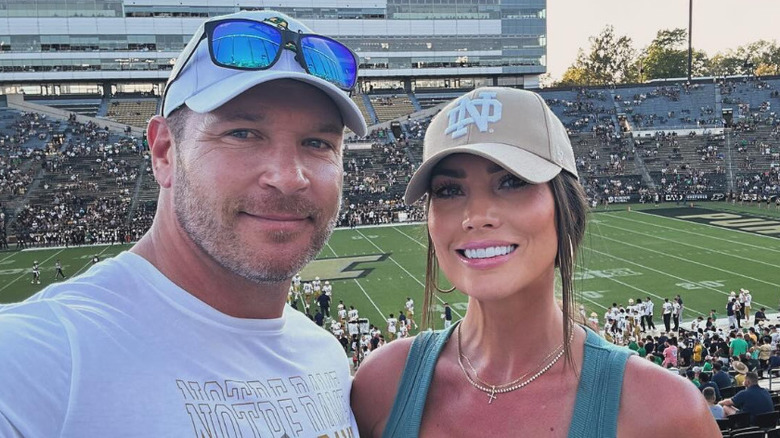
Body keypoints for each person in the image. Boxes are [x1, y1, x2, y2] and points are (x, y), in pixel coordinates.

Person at [0, 10, 367, 437]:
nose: (288, 177)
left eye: (318, 143)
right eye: (243, 133)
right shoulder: (38, 358)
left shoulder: (326, 357)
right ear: (164, 153)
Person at [350, 88, 718, 437]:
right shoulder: (382, 384)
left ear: (567, 210)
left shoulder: (664, 411)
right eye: (449, 190)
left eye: (512, 182)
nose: (476, 216)